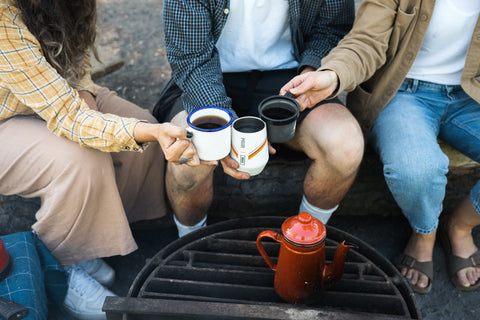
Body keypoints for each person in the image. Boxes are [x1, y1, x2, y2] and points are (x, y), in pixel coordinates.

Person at [0, 0, 200, 319]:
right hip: (5, 119)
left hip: (50, 97)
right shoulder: (3, 18)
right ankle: (63, 267)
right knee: (80, 158)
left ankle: (103, 237)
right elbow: (67, 117)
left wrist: (87, 97)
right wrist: (141, 131)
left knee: (140, 128)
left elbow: (74, 68)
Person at [280, 0, 480, 293]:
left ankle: (460, 225)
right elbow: (366, 40)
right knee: (415, 170)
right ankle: (424, 232)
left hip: (471, 95)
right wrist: (333, 76)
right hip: (402, 92)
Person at [154, 0, 365, 238]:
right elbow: (190, 57)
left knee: (345, 144)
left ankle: (305, 239)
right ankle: (190, 240)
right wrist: (228, 128)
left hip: (290, 76)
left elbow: (332, 28)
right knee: (187, 153)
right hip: (208, 77)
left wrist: (311, 72)